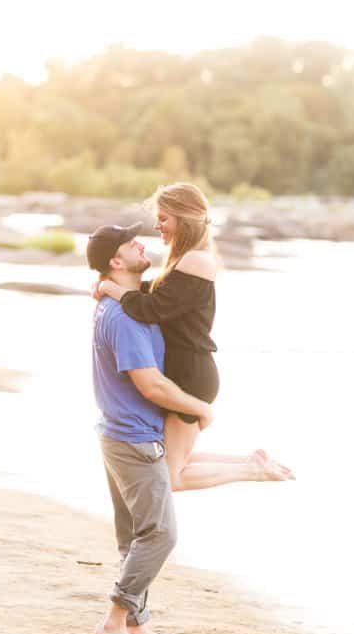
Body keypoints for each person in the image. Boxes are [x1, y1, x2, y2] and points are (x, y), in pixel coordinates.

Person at [94, 182, 295, 491]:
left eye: (163, 218)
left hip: (191, 375)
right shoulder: (184, 260)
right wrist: (115, 287)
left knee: (172, 477)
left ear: (183, 217)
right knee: (176, 457)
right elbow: (155, 296)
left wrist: (111, 288)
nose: (157, 225)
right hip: (187, 372)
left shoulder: (197, 261)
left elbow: (151, 308)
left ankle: (253, 471)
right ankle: (250, 461)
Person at [87, 223, 211, 634]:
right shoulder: (123, 318)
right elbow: (152, 386)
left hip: (120, 434)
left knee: (135, 537)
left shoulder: (125, 307)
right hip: (134, 439)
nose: (144, 243)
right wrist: (200, 407)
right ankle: (114, 623)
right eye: (132, 244)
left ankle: (137, 626)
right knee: (159, 535)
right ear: (116, 262)